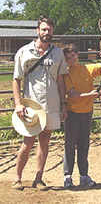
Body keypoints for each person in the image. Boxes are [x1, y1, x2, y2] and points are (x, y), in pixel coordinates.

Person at [12, 16, 68, 191]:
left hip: (51, 104)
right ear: (37, 31)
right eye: (44, 29)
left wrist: (63, 104)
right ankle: (17, 177)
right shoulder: (24, 52)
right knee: (28, 141)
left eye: (50, 29)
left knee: (45, 141)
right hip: (31, 106)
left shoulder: (58, 53)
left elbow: (60, 81)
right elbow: (16, 79)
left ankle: (39, 178)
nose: (47, 32)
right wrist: (18, 103)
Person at [61, 44, 101, 188]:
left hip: (87, 112)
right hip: (73, 113)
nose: (72, 59)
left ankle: (84, 175)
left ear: (77, 54)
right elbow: (73, 95)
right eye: (68, 58)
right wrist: (91, 95)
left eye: (73, 55)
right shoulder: (67, 74)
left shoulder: (86, 69)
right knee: (70, 144)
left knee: (84, 144)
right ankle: (68, 175)